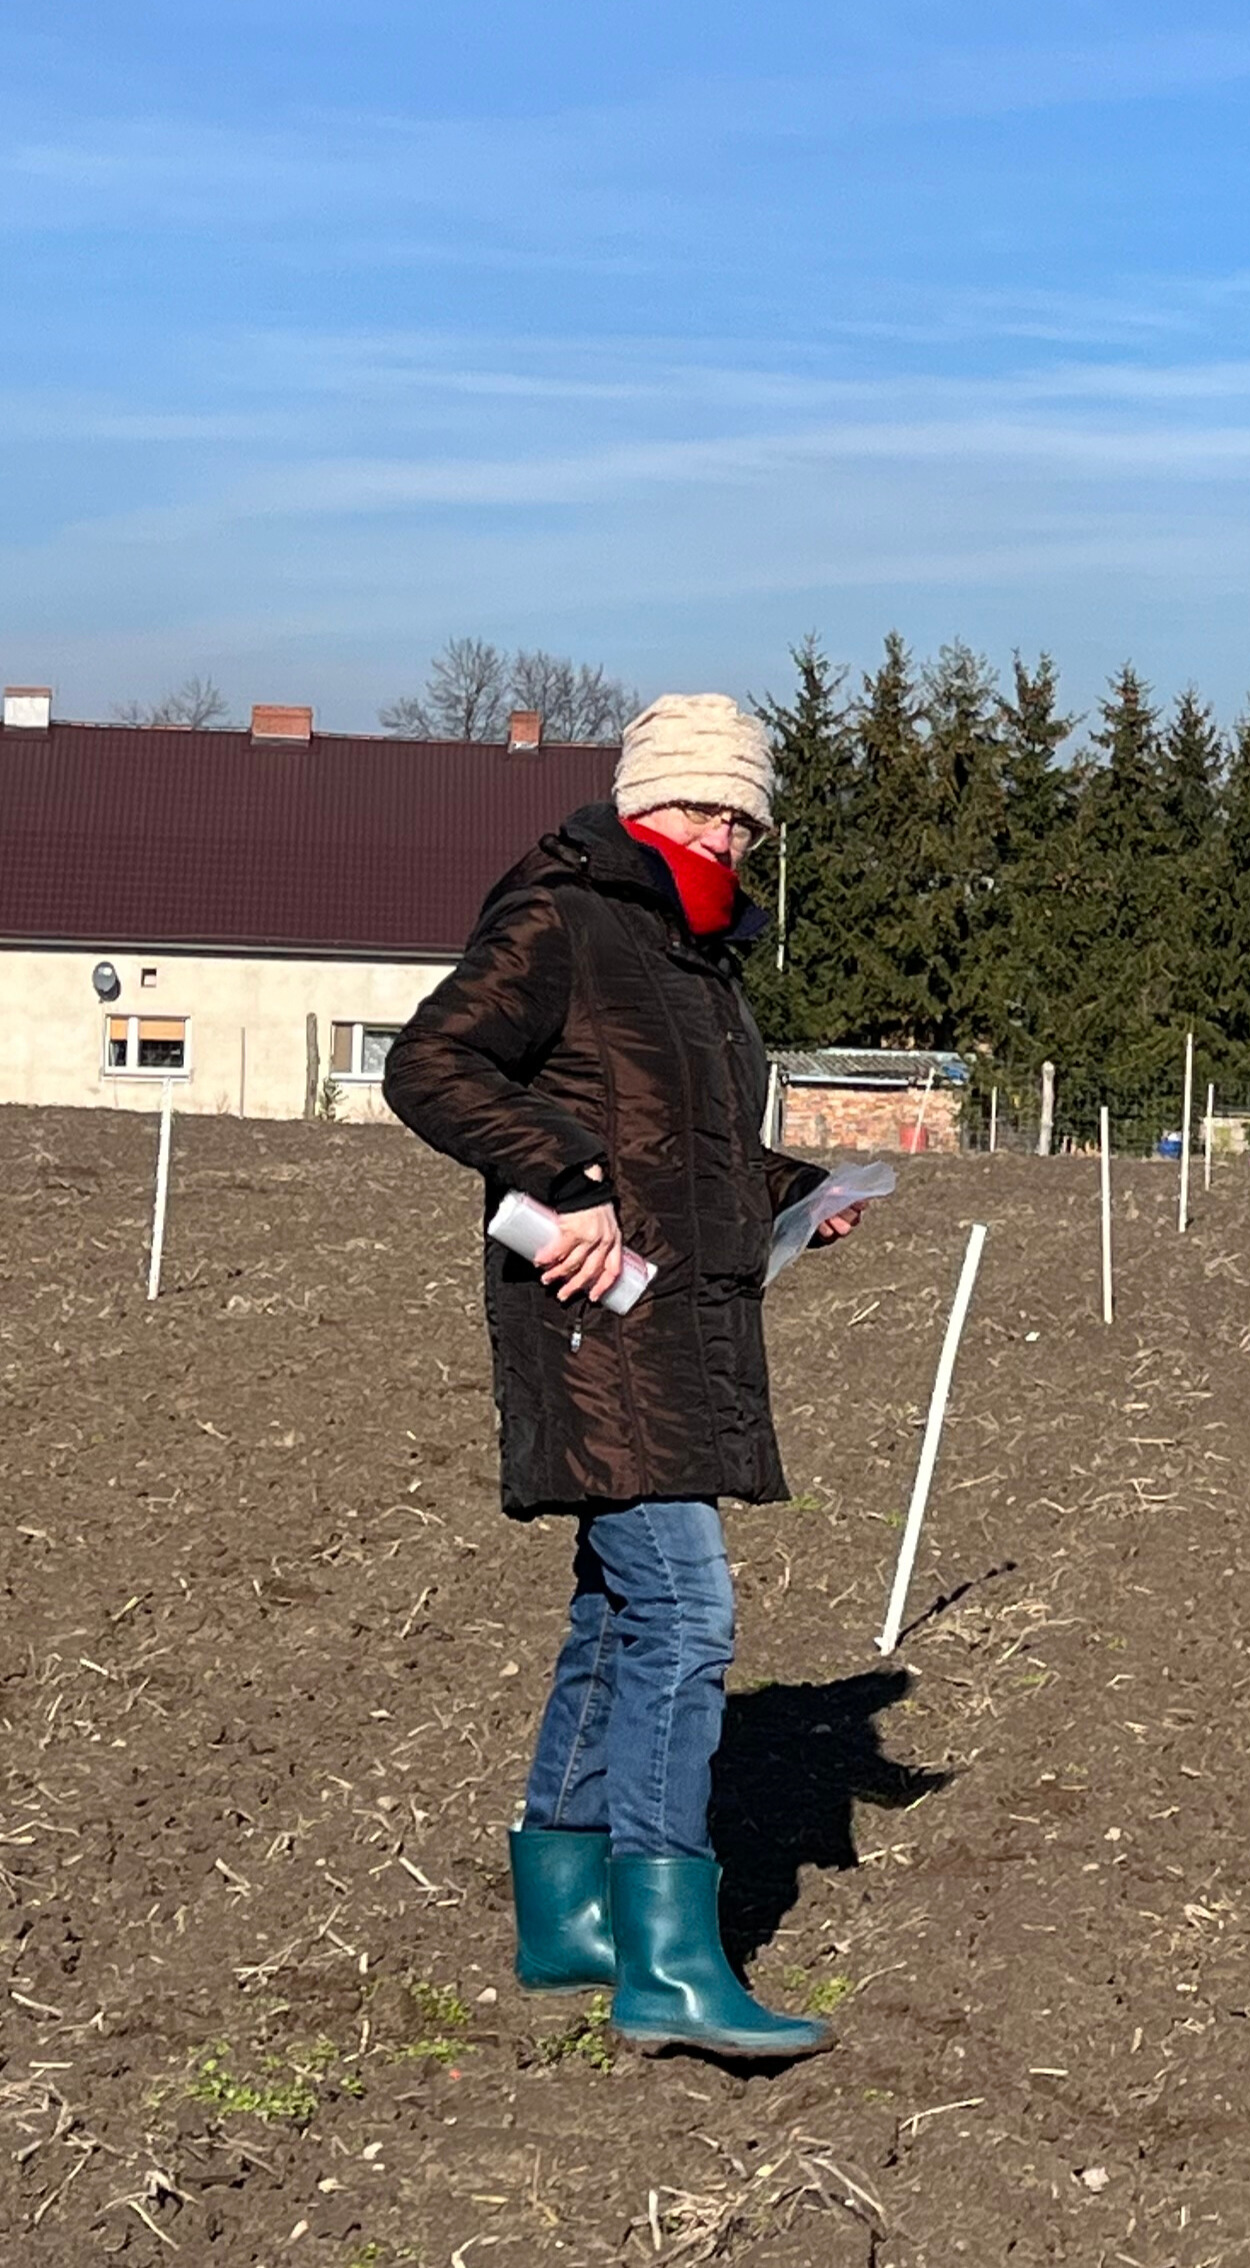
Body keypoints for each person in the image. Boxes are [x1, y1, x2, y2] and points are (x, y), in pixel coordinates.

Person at [386, 693, 866, 2058]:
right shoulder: (562, 916)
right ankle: (666, 1959)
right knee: (688, 1617)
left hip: (681, 1326)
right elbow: (432, 1067)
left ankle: (567, 1916)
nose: (729, 834)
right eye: (709, 809)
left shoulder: (697, 957)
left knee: (616, 1611)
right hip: (598, 1329)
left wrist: (795, 1191)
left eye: (746, 817)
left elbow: (677, 1147)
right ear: (643, 806)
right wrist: (565, 1179)